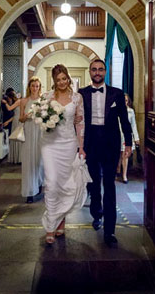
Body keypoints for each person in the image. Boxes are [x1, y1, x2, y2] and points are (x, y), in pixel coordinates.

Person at [78, 59, 133, 245]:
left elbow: (125, 121)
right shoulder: (82, 94)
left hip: (110, 143)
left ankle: (110, 231)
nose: (97, 72)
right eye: (94, 69)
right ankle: (96, 213)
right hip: (90, 143)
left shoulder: (117, 94)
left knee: (109, 186)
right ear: (89, 72)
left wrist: (128, 143)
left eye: (101, 69)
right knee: (93, 184)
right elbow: (77, 122)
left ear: (106, 71)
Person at [41, 65, 88, 245]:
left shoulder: (77, 98)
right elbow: (39, 118)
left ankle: (61, 219)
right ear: (54, 81)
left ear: (68, 78)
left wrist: (81, 147)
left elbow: (80, 124)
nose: (61, 82)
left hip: (69, 143)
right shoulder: (46, 97)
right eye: (58, 79)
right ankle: (50, 225)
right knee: (52, 183)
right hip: (50, 144)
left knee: (65, 184)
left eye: (64, 78)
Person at [17, 76, 45, 203]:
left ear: (39, 87)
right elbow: (20, 119)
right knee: (28, 161)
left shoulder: (43, 100)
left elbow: (46, 116)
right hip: (28, 130)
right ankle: (29, 191)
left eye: (37, 86)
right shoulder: (24, 101)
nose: (35, 88)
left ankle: (39, 186)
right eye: (33, 86)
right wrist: (26, 116)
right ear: (29, 87)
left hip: (39, 131)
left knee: (39, 160)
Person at [118, 94, 139, 183]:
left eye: (126, 101)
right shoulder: (116, 110)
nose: (124, 102)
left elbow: (133, 125)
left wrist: (136, 137)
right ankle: (118, 170)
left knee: (125, 155)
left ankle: (124, 175)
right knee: (118, 155)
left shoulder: (131, 111)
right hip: (117, 135)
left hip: (126, 135)